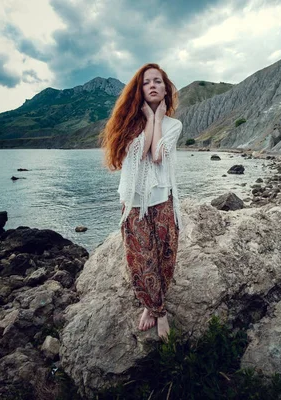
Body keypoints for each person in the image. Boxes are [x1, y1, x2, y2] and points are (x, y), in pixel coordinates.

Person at [100, 63, 183, 340]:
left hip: (162, 200)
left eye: (158, 81)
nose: (152, 85)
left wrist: (158, 120)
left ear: (165, 87)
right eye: (146, 82)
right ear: (139, 89)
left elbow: (158, 154)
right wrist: (148, 120)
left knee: (164, 258)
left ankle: (151, 305)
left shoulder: (174, 125)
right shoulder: (127, 122)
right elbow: (136, 153)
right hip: (134, 203)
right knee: (141, 260)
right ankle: (159, 310)